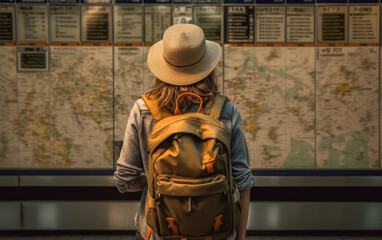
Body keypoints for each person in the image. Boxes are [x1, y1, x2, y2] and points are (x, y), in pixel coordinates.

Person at [114, 24, 255, 240]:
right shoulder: (226, 110)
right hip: (217, 231)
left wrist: (159, 182)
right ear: (207, 67)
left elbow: (124, 180)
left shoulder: (143, 109)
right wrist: (240, 237)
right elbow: (242, 182)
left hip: (157, 232)